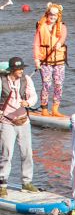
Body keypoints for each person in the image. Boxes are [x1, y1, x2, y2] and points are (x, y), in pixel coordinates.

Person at [0, 58, 39, 192]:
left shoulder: (26, 79)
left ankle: (27, 182)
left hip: (23, 121)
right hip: (7, 122)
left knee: (27, 153)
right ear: (11, 70)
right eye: (18, 69)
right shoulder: (2, 81)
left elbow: (33, 96)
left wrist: (28, 103)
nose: (21, 71)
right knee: (7, 154)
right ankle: (3, 184)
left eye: (22, 68)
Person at [33, 2, 66, 119]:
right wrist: (37, 60)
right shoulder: (41, 26)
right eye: (51, 14)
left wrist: (59, 44)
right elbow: (36, 44)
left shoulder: (62, 26)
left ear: (58, 16)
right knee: (46, 84)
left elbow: (63, 37)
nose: (53, 17)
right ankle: (44, 108)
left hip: (59, 60)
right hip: (45, 61)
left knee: (58, 84)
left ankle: (55, 108)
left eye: (55, 15)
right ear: (47, 14)